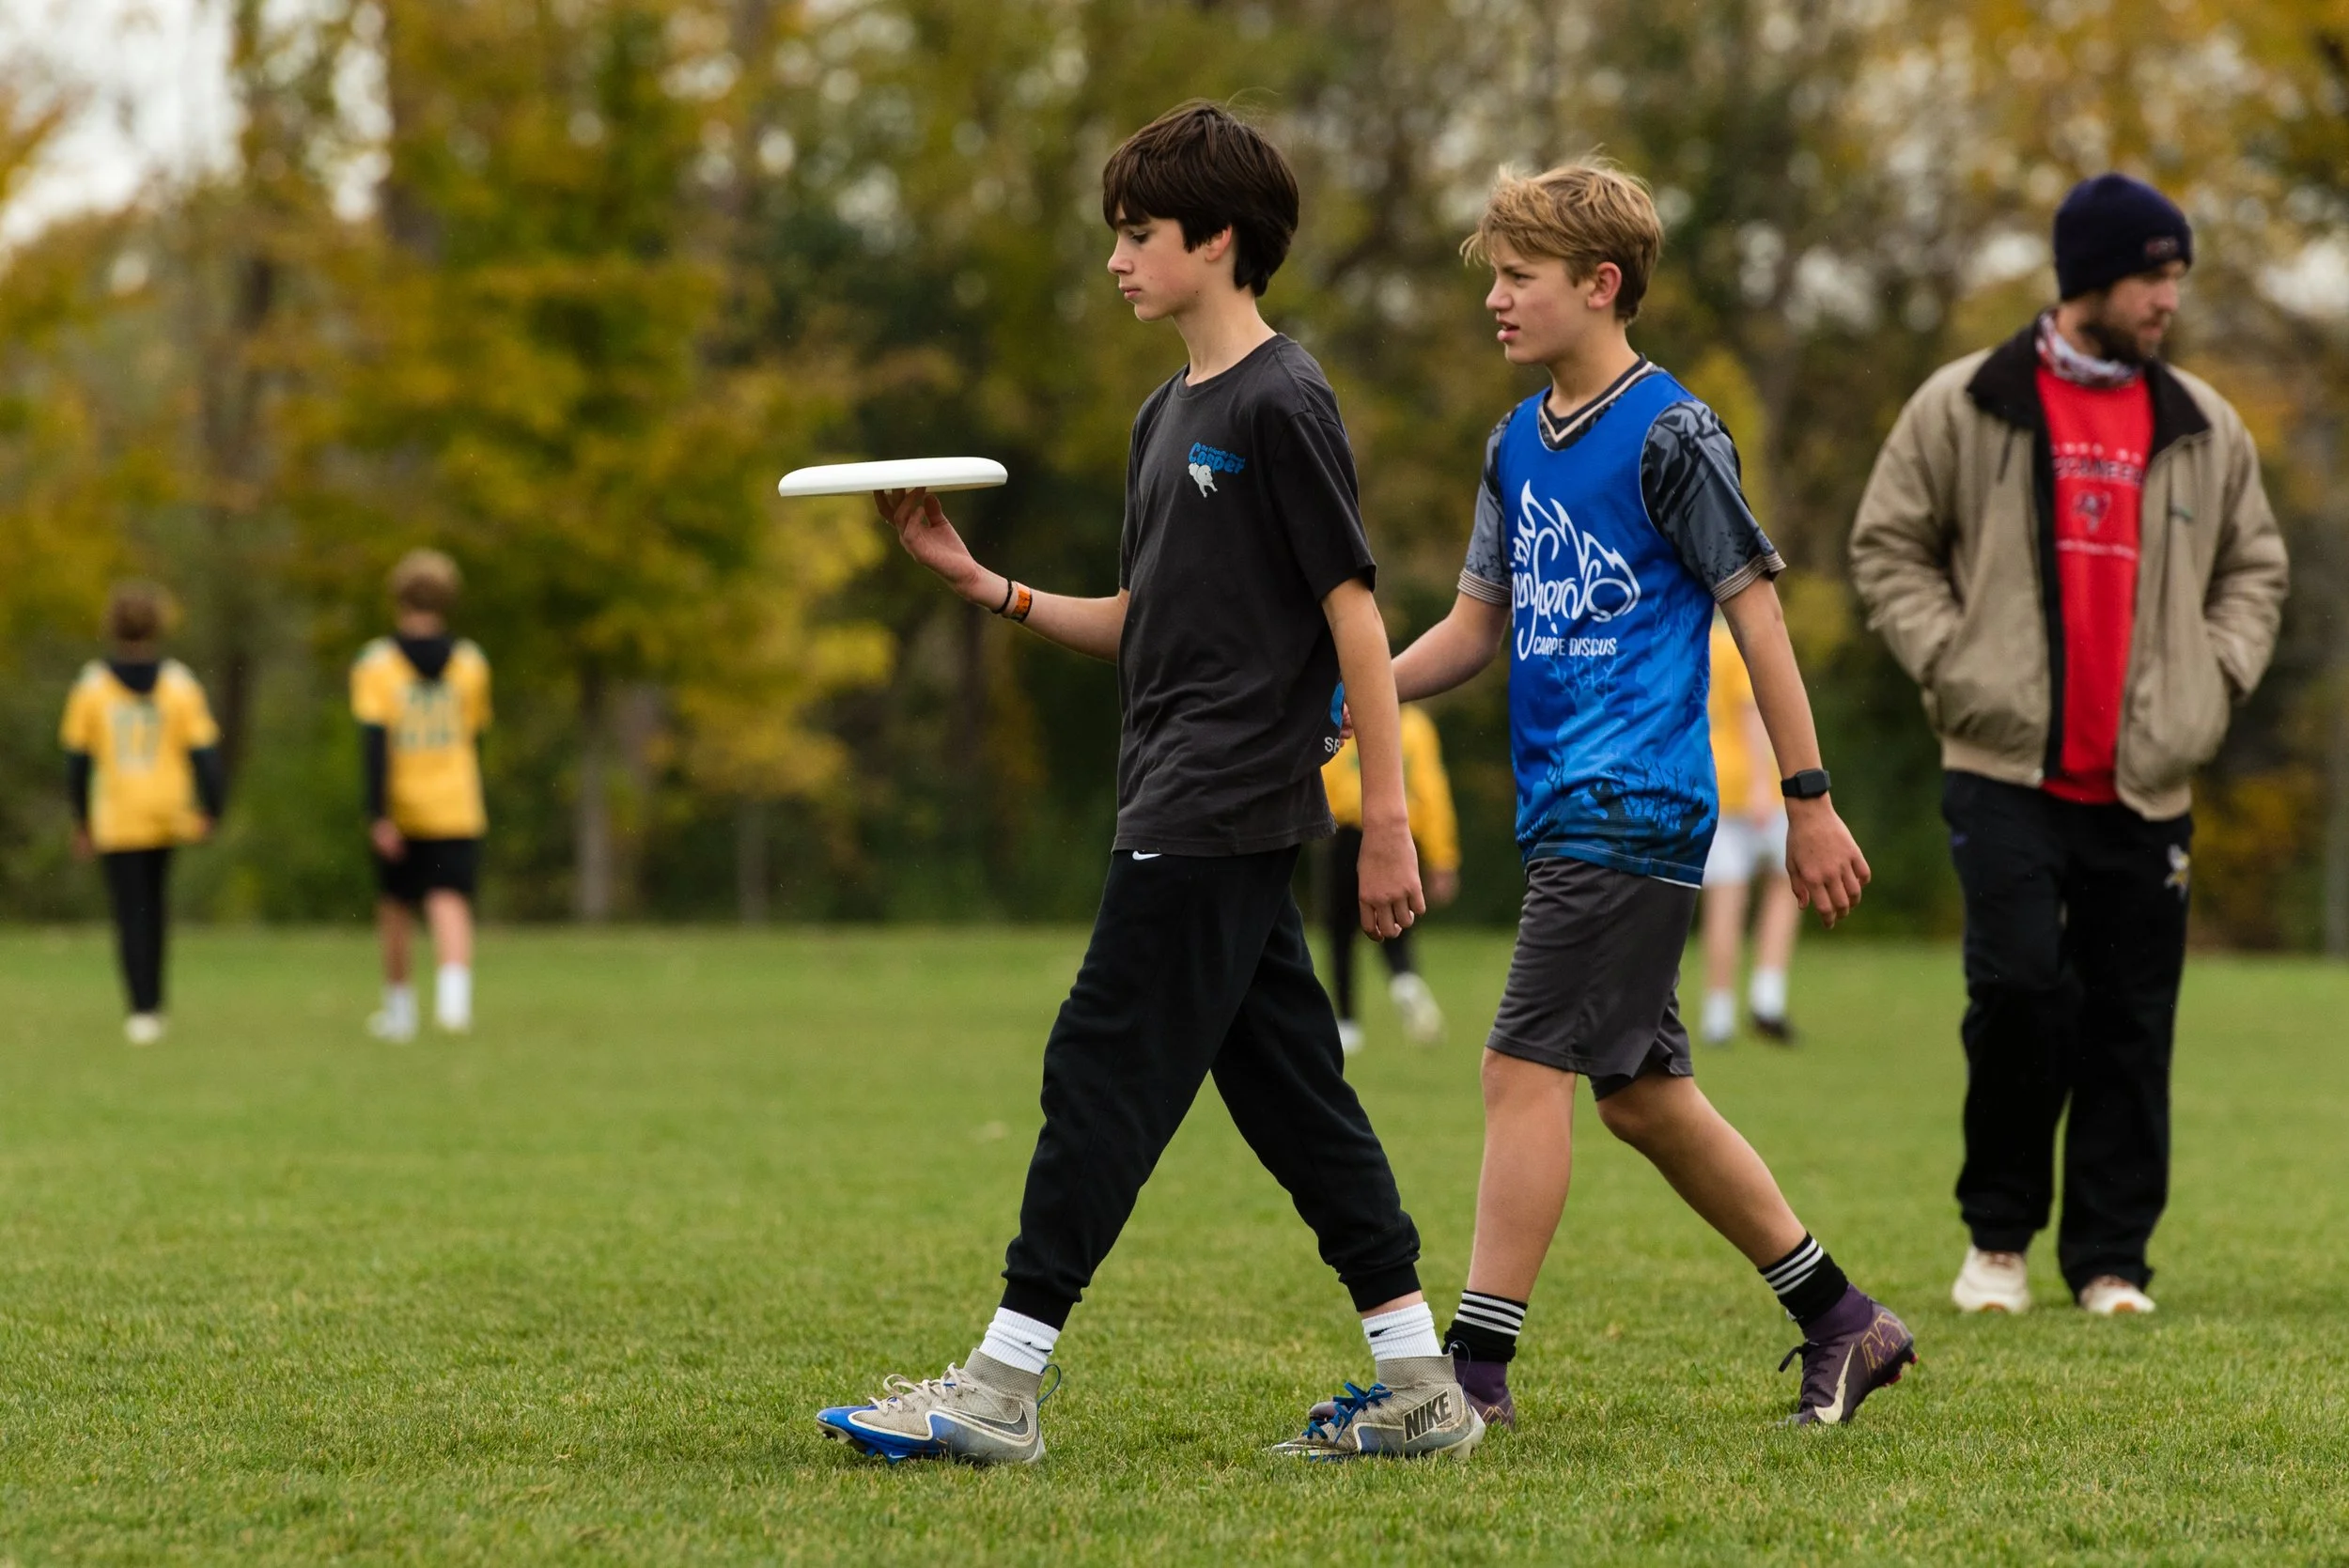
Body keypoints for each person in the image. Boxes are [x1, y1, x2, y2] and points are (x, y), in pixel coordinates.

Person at [814, 101, 1483, 1466]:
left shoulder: (1284, 398)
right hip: (1178, 792)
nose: (1117, 259)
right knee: (1296, 1095)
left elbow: (1353, 616)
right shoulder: (1160, 415)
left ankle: (1000, 1386)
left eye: (1139, 234)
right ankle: (1420, 1382)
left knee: (1100, 1061)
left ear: (1218, 240)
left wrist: (1387, 823)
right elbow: (1142, 616)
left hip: (1219, 802)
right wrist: (983, 584)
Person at [1390, 161, 1913, 1430]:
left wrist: (1808, 799)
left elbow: (1759, 617)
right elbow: (1472, 630)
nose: (1496, 299)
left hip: (1631, 802)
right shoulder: (1514, 444)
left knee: (1519, 1067)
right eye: (1494, 276)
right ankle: (1844, 1319)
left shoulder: (1673, 434)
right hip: (1565, 809)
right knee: (1640, 1096)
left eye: (1519, 276)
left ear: (1600, 284)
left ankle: (1473, 1377)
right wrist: (1357, 694)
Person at [1850, 174, 2287, 1319]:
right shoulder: (1965, 402)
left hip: (2149, 780)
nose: (2167, 299)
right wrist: (1953, 665)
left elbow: (2255, 567)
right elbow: (1887, 545)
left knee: (2131, 1022)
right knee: (2016, 992)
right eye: (2151, 276)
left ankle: (2109, 1261)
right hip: (2003, 768)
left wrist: (2214, 680)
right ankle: (1996, 1241)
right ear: (2089, 278)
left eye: (2176, 276)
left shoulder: (2203, 421)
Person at [59, 582, 224, 1046]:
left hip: (118, 812)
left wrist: (82, 820)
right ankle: (157, 1003)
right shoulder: (179, 683)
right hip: (167, 809)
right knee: (156, 906)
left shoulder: (92, 686)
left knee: (130, 910)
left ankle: (141, 1009)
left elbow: (77, 761)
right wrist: (212, 807)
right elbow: (206, 755)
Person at [351, 549, 493, 1042]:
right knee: (450, 900)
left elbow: (375, 743)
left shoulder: (378, 664)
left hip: (404, 801)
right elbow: (475, 734)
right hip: (455, 799)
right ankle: (454, 1007)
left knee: (396, 907)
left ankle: (401, 1012)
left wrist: (378, 813)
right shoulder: (470, 662)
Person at [1321, 703, 1461, 1053]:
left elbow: (1329, 773)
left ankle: (1347, 1022)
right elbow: (1432, 791)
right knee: (1396, 920)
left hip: (1351, 832)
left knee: (1340, 930)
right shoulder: (1414, 726)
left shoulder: (1347, 714)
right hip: (1402, 833)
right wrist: (1442, 856)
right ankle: (1404, 980)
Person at [1698, 613, 1800, 1045]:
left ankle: (1718, 1013)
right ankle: (1767, 995)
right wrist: (1762, 781)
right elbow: (1751, 711)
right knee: (1789, 879)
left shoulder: (1685, 641)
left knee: (1724, 899)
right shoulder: (1732, 643)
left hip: (1705, 778)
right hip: (1750, 783)